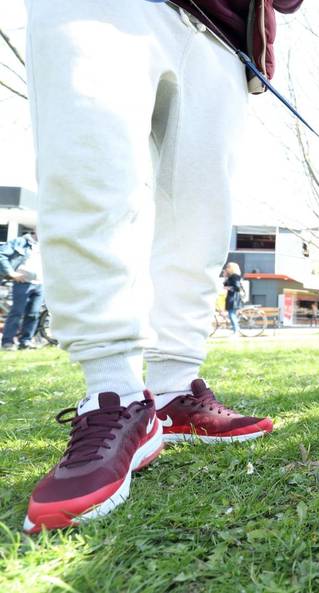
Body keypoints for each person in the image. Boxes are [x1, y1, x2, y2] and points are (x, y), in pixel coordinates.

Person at [22, 0, 303, 533]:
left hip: (223, 35)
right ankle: (113, 393)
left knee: (200, 223)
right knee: (89, 174)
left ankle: (175, 389)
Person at [0, 231, 44, 350]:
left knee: (34, 314)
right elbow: (1, 254)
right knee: (17, 312)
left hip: (40, 284)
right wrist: (11, 273)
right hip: (22, 283)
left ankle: (25, 341)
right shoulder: (21, 242)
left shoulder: (46, 245)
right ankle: (7, 342)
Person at [223, 262, 244, 335]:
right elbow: (225, 285)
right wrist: (225, 277)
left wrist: (228, 288)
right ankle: (235, 329)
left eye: (228, 267)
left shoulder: (235, 276)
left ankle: (236, 330)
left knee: (231, 314)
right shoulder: (231, 276)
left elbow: (237, 288)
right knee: (231, 314)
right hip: (231, 297)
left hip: (234, 298)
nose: (226, 269)